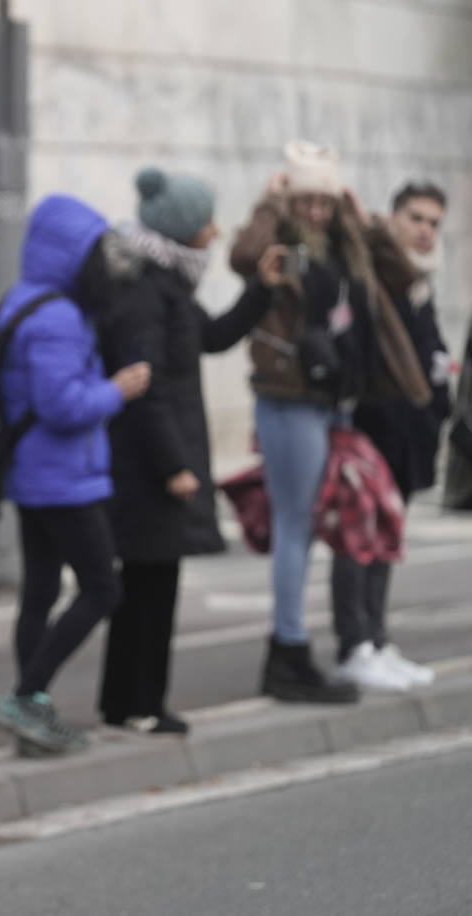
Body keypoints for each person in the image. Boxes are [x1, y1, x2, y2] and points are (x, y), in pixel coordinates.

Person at [229, 141, 430, 704]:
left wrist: (364, 221)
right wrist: (271, 205)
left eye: (324, 201)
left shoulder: (345, 249)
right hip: (290, 400)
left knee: (331, 523)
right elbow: (245, 256)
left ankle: (323, 646)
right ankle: (288, 653)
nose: (316, 212)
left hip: (335, 403)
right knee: (296, 525)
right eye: (307, 202)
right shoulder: (288, 248)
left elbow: (402, 273)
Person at [97, 168, 271, 735]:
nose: (216, 230)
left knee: (146, 584)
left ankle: (127, 703)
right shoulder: (147, 293)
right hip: (149, 468)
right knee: (150, 589)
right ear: (180, 228)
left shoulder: (165, 285)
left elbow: (214, 337)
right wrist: (175, 466)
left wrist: (261, 287)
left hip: (153, 462)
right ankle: (141, 704)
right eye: (206, 221)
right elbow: (149, 393)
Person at [0, 193, 152, 757]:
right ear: (68, 254)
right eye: (93, 252)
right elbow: (62, 406)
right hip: (61, 477)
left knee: (40, 592)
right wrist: (119, 389)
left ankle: (32, 710)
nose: (102, 264)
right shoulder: (56, 316)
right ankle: (27, 694)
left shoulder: (25, 300)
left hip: (34, 473)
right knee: (103, 588)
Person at [329, 181, 451, 689]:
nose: (424, 231)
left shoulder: (420, 281)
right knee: (357, 539)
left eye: (433, 223)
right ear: (393, 217)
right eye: (415, 218)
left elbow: (433, 354)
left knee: (386, 539)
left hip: (407, 431)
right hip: (370, 425)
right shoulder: (375, 270)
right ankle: (354, 643)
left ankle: (376, 639)